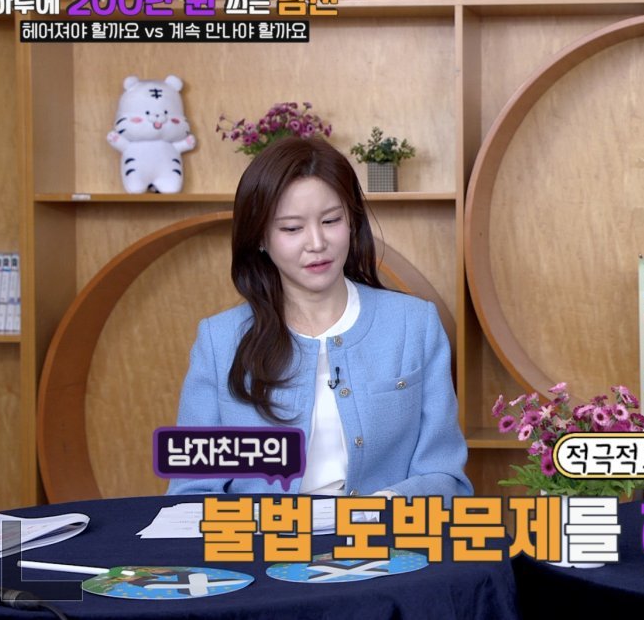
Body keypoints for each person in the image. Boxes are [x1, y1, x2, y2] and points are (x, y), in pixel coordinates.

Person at [167, 137, 472, 499]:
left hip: (387, 531)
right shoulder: (219, 342)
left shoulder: (414, 324)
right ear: (260, 238)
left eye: (330, 220)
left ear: (352, 221)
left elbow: (445, 476)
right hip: (262, 534)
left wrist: (386, 507)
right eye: (291, 228)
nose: (316, 243)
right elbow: (192, 490)